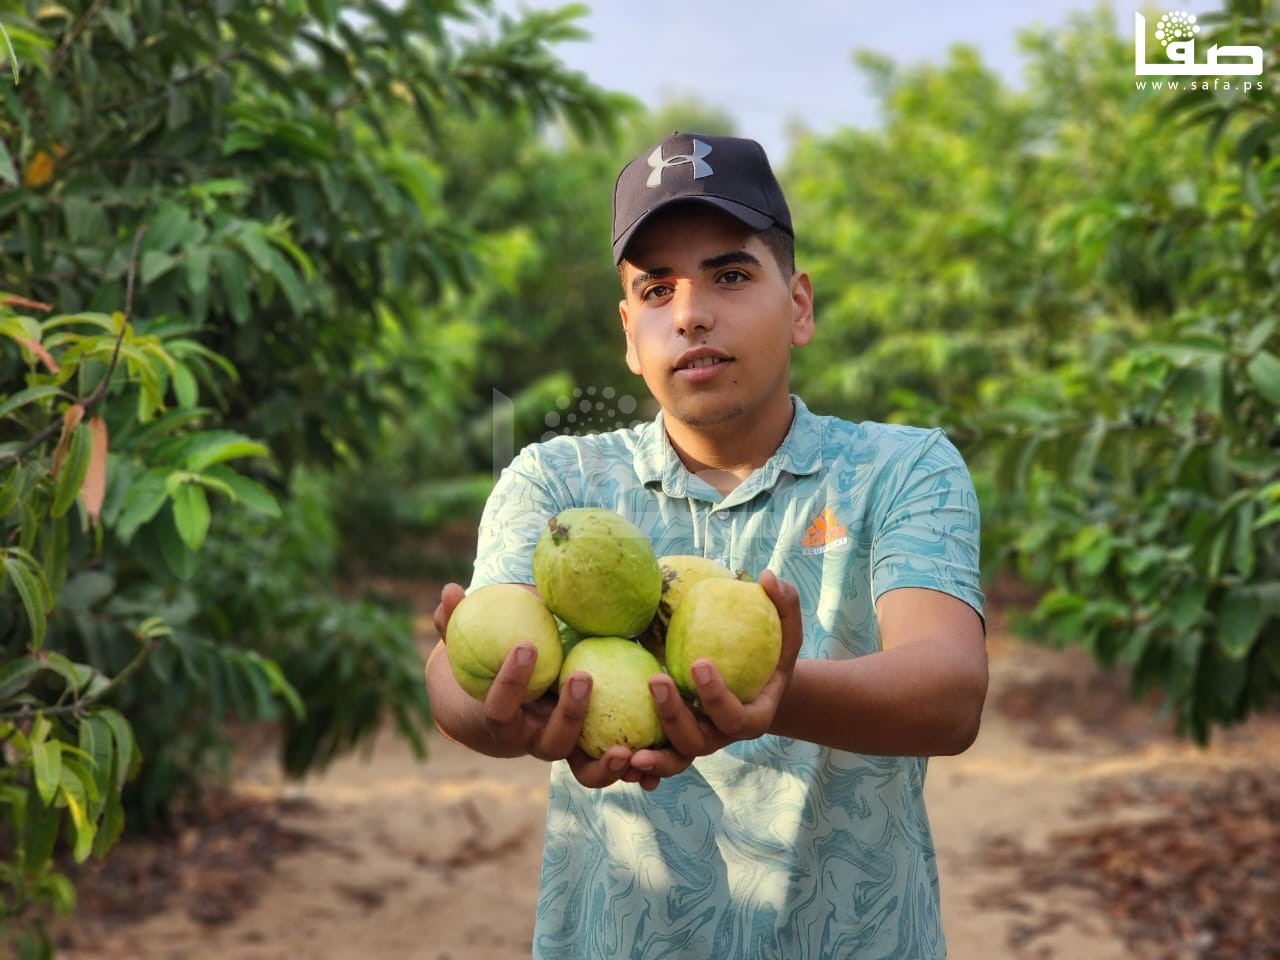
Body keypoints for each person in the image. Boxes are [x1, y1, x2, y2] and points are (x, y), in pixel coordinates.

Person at [425, 131, 988, 959]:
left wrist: (770, 691)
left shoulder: (901, 469)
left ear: (799, 305)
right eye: (657, 289)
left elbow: (950, 690)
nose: (690, 313)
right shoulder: (559, 484)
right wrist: (510, 710)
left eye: (730, 275)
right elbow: (458, 678)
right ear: (629, 334)